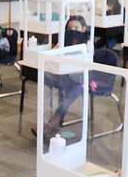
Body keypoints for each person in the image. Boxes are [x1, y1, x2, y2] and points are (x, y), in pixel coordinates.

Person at [37, 14, 92, 144]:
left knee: (73, 91)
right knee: (62, 87)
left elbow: (88, 66)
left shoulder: (88, 44)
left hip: (85, 80)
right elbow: (52, 54)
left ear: (84, 28)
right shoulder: (64, 41)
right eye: (70, 28)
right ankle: (53, 125)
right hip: (68, 78)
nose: (72, 30)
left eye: (76, 27)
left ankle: (52, 125)